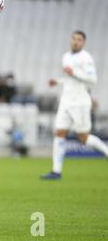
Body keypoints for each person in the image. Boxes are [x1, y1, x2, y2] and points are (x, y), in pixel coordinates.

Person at [41, 31, 108, 180]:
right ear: (71, 40)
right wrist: (57, 81)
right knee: (59, 133)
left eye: (79, 40)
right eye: (74, 39)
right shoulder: (66, 56)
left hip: (80, 103)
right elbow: (69, 78)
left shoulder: (86, 58)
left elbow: (92, 79)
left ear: (83, 43)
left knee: (83, 137)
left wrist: (75, 72)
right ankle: (56, 171)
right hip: (66, 101)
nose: (76, 42)